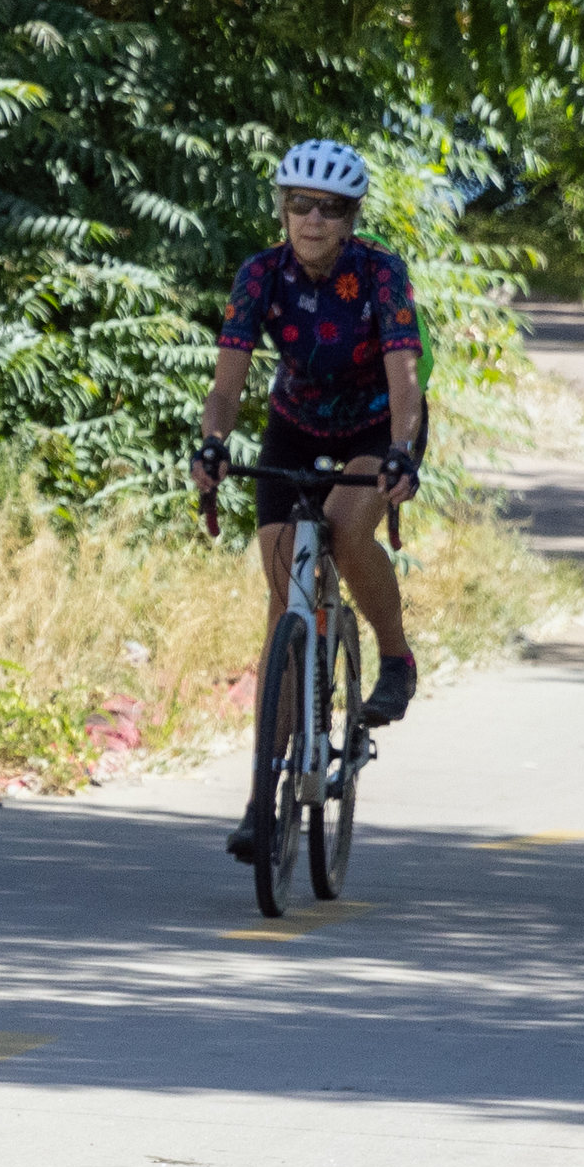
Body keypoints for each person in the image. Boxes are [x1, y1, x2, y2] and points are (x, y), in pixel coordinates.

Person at [186, 137, 430, 865]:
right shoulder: (260, 274)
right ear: (283, 210)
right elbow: (226, 385)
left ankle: (395, 658)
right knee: (282, 600)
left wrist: (402, 450)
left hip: (376, 425)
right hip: (295, 424)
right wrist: (212, 443)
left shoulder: (381, 272)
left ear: (351, 218)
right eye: (300, 205)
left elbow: (405, 377)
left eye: (329, 208)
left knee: (346, 533)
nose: (313, 220)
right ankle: (262, 800)